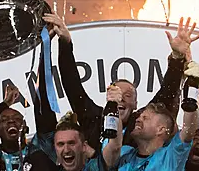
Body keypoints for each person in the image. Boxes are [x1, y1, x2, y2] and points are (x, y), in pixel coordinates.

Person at [103, 20, 199, 171]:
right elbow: (113, 146)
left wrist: (192, 87)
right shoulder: (124, 155)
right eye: (140, 115)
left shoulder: (170, 159)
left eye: (146, 118)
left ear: (162, 131)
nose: (138, 119)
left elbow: (189, 129)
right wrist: (113, 106)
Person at [56, 13, 188, 148]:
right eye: (117, 93)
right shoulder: (94, 118)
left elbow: (167, 93)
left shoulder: (140, 124)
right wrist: (65, 43)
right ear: (109, 96)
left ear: (136, 104)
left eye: (128, 96)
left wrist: (177, 58)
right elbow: (72, 85)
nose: (121, 99)